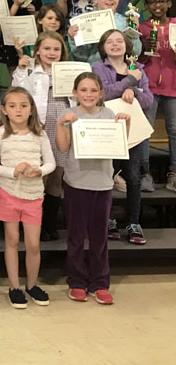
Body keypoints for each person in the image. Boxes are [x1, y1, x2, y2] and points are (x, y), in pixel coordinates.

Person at [56, 72, 129, 305]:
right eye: (83, 90)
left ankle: (99, 283)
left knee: (99, 237)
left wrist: (126, 124)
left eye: (93, 90)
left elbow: (119, 146)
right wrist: (61, 124)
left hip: (103, 184)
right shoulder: (70, 115)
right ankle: (77, 281)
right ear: (75, 93)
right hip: (76, 182)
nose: (88, 94)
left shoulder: (109, 115)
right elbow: (63, 146)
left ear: (101, 94)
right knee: (76, 236)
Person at [0, 87, 56, 309]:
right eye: (12, 106)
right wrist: (13, 171)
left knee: (32, 244)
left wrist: (38, 170)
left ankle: (32, 285)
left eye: (23, 105)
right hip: (8, 193)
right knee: (11, 240)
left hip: (33, 195)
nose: (18, 110)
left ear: (31, 109)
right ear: (4, 110)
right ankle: (14, 286)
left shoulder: (39, 134)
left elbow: (51, 163)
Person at [92, 29, 153, 245]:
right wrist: (129, 82)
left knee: (134, 177)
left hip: (133, 131)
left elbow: (148, 101)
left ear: (127, 46)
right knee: (108, 174)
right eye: (110, 41)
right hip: (108, 129)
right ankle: (107, 220)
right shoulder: (97, 69)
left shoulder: (138, 69)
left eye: (120, 41)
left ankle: (134, 222)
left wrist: (135, 92)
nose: (116, 44)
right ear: (103, 46)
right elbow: (103, 94)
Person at [11, 31, 70, 241]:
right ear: (37, 51)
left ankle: (50, 224)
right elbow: (17, 93)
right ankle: (32, 222)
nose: (52, 53)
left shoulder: (68, 72)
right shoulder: (30, 72)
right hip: (39, 126)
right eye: (47, 49)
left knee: (57, 176)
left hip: (62, 127)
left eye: (56, 49)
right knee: (38, 176)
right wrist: (20, 68)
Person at [138, 0, 176, 192]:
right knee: (145, 130)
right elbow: (136, 60)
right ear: (146, 6)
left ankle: (174, 172)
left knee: (174, 129)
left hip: (173, 85)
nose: (157, 5)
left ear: (168, 3)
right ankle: (145, 172)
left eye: (161, 1)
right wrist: (144, 49)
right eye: (152, 2)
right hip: (148, 86)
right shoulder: (142, 29)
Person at [69, 0, 141, 63]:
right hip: (96, 71)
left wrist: (132, 32)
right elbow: (81, 56)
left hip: (121, 71)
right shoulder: (84, 22)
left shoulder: (126, 22)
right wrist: (73, 39)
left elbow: (135, 53)